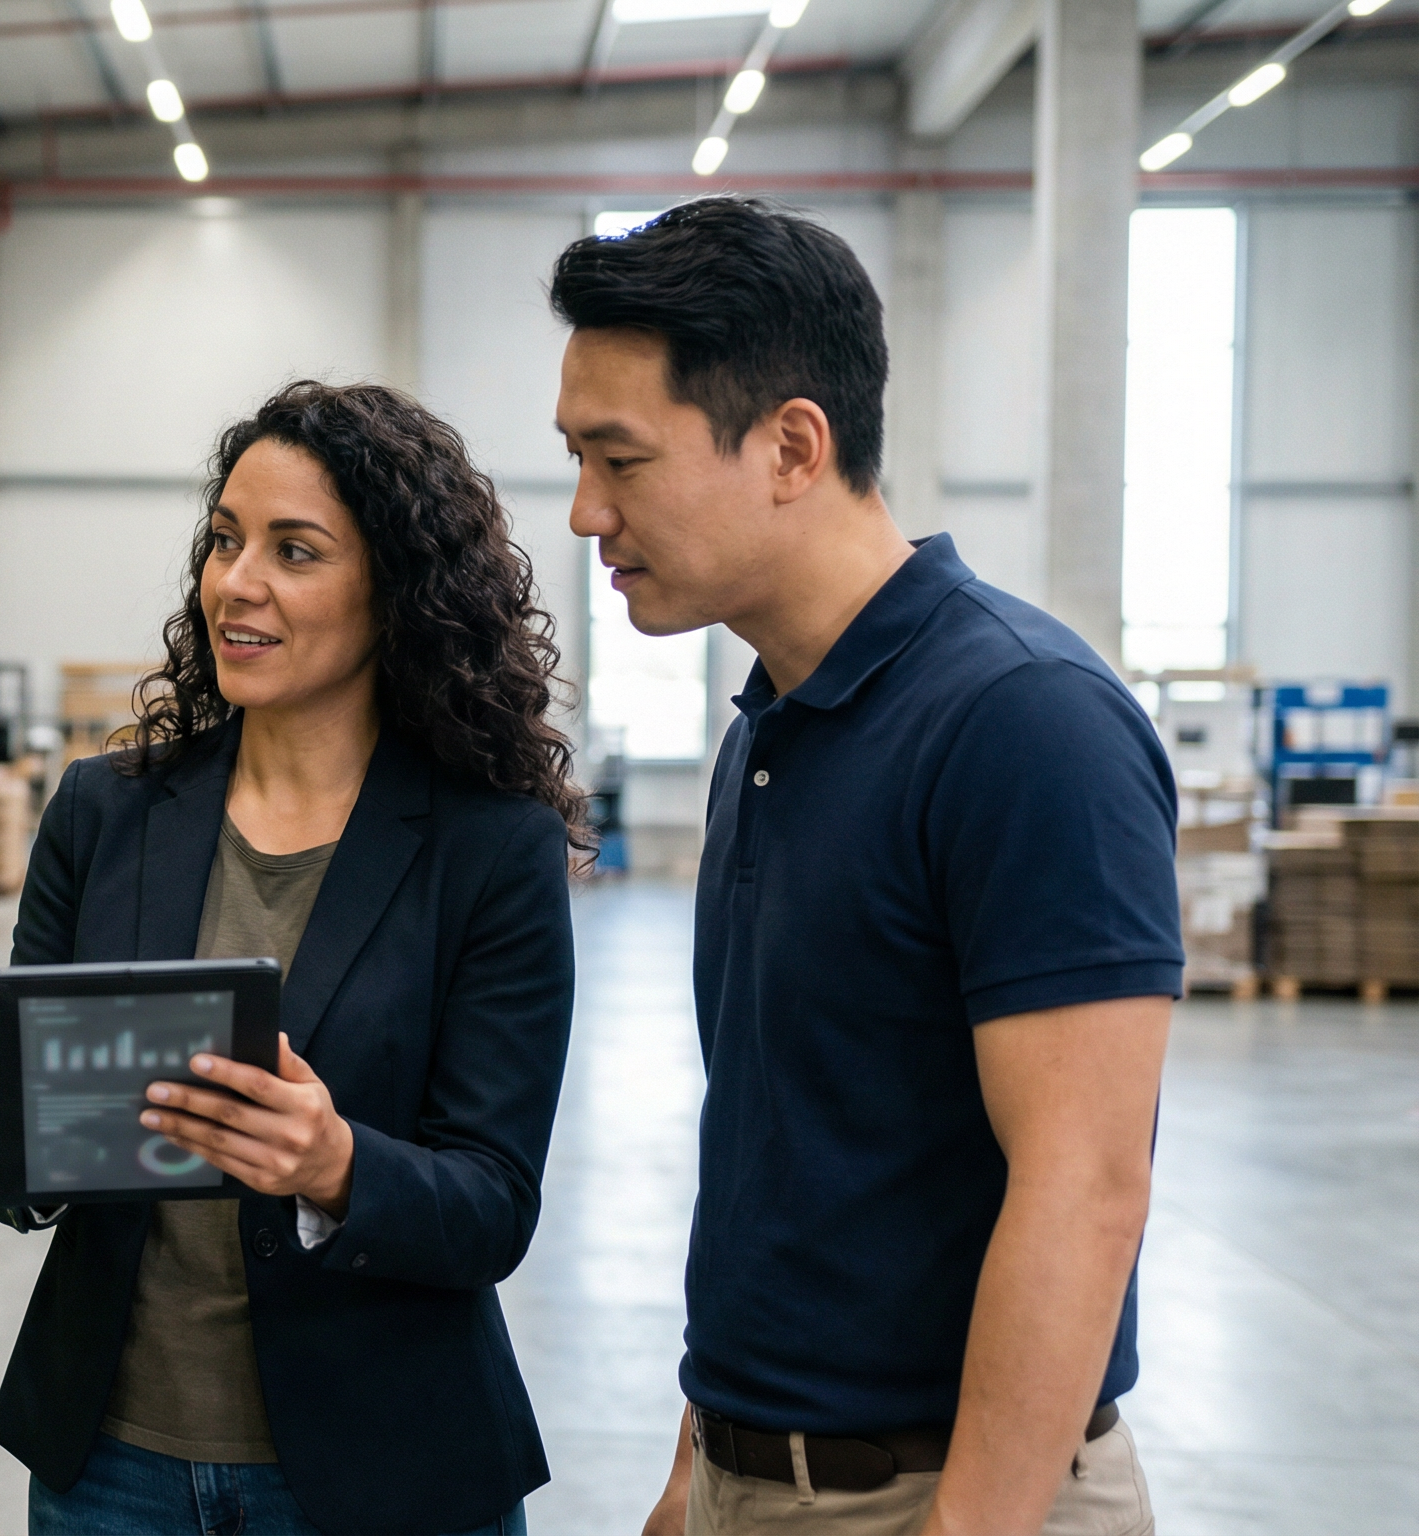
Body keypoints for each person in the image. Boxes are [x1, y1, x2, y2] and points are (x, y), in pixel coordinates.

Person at [547, 197, 1177, 1536]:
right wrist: (698, 1469)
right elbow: (786, 1154)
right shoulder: (772, 730)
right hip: (757, 1477)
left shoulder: (1023, 723)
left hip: (949, 1498)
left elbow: (1084, 1186)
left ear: (789, 446)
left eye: (621, 459)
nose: (585, 512)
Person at [0, 380, 586, 1536]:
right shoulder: (102, 816)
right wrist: (45, 1136)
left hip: (380, 1470)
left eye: (293, 551)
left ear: (394, 593)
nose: (235, 583)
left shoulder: (487, 848)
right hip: (111, 1466)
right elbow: (1, 1164)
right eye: (224, 540)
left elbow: (494, 1204)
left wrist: (337, 1164)